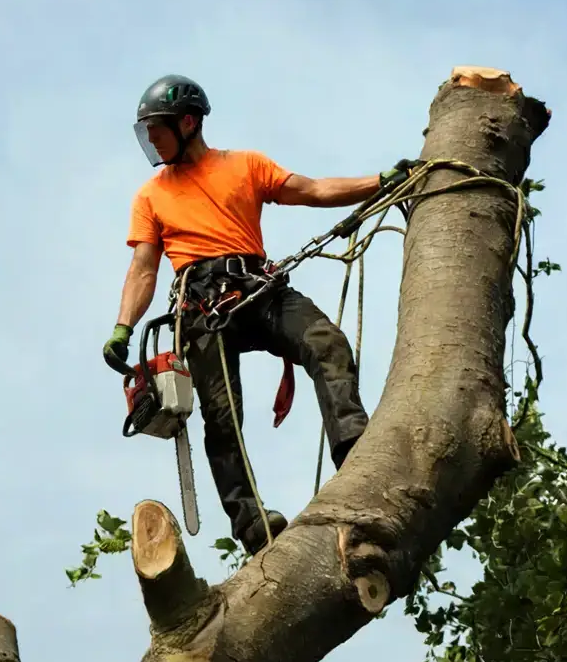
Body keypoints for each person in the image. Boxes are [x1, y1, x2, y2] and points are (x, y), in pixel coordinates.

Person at [103, 73, 413, 555]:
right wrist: (123, 327)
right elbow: (144, 267)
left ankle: (354, 446)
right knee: (223, 418)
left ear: (188, 123)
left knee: (325, 342)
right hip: (200, 307)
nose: (152, 140)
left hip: (256, 288)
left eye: (158, 129)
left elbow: (310, 189)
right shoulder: (151, 195)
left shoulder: (244, 166)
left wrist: (379, 182)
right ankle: (251, 524)